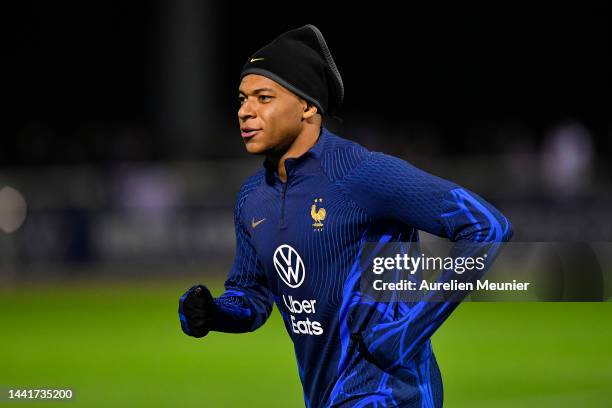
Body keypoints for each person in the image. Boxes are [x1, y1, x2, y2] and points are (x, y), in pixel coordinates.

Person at [179, 24, 513, 408]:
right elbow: (252, 299)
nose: (244, 111)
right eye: (241, 99)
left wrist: (409, 331)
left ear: (307, 107)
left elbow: (487, 226)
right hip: (327, 397)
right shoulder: (253, 199)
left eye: (263, 97)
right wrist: (212, 313)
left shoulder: (362, 173)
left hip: (390, 396)